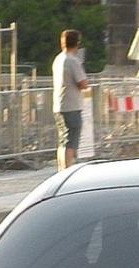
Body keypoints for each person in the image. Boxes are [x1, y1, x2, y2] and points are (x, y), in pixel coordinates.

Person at [52, 29, 89, 170]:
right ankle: (67, 169)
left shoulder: (58, 59)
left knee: (62, 140)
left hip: (58, 105)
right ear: (77, 43)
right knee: (71, 141)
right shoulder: (73, 61)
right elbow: (83, 83)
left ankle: (61, 168)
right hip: (72, 105)